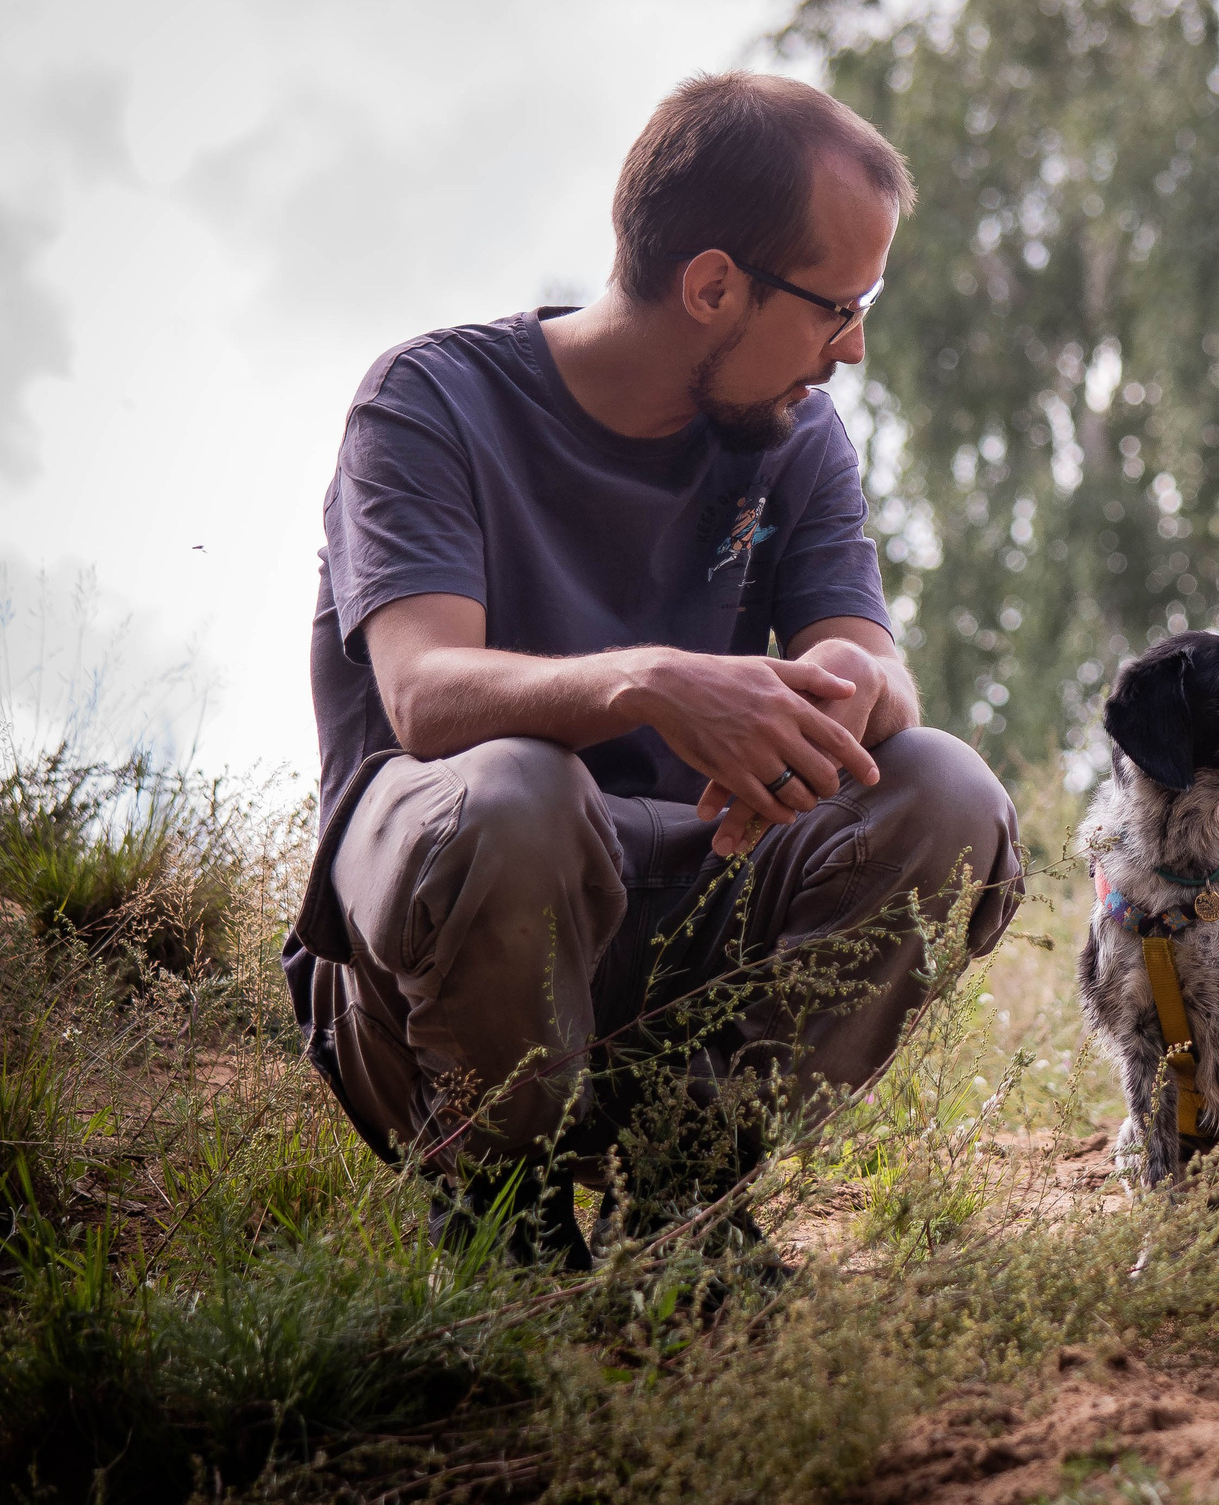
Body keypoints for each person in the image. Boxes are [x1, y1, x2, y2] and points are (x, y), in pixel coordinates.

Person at [282, 72, 1021, 1267]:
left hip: (678, 929)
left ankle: (683, 1206)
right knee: (516, 787)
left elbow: (879, 669)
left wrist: (836, 684)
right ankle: (494, 1212)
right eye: (838, 305)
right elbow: (423, 696)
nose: (855, 346)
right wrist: (650, 680)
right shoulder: (427, 401)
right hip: (435, 975)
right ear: (713, 285)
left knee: (944, 789)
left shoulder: (791, 435)